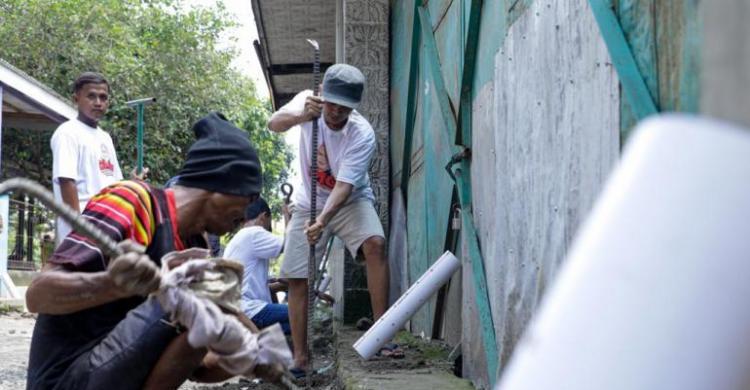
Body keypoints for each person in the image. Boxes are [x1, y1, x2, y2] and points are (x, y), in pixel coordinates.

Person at [26, 112, 278, 390]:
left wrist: (255, 356)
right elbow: (37, 295)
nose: (246, 214)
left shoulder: (196, 245)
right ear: (223, 186)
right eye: (250, 198)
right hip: (65, 378)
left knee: (206, 300)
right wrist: (111, 285)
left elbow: (198, 367)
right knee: (196, 296)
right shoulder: (133, 202)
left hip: (113, 374)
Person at [267, 63, 397, 375]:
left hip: (349, 200)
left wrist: (323, 221)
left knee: (376, 244)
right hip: (306, 202)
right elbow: (274, 124)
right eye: (332, 103)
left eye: (344, 108)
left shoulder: (362, 134)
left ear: (354, 107)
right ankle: (301, 357)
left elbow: (343, 186)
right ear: (322, 95)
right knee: (297, 277)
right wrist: (301, 116)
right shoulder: (306, 102)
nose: (336, 112)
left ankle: (382, 336)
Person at [50, 72, 148, 246]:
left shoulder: (105, 138)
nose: (98, 103)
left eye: (103, 98)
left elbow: (114, 185)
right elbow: (66, 182)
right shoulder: (68, 133)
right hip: (81, 233)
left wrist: (133, 182)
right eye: (91, 96)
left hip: (107, 227)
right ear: (76, 98)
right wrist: (80, 228)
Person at [224, 198, 290, 334]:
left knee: (295, 324)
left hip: (240, 310)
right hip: (249, 310)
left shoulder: (239, 238)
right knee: (301, 312)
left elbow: (253, 287)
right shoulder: (253, 233)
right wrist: (287, 215)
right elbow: (291, 244)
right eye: (269, 221)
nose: (269, 228)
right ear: (263, 216)